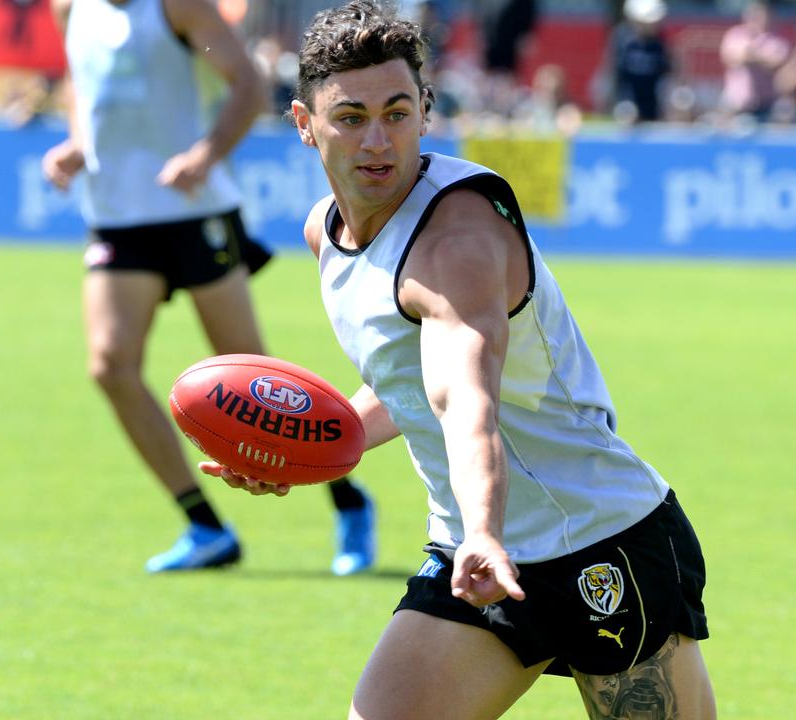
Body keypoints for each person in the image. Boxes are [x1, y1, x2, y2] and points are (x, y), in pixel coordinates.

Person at [204, 2, 715, 717]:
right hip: (472, 553)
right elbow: (410, 383)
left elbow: (465, 399)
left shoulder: (458, 242)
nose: (378, 139)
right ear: (303, 124)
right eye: (350, 117)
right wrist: (296, 448)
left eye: (398, 112)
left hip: (598, 536)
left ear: (426, 111)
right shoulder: (326, 234)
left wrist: (482, 529)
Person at [40, 0, 376, 575]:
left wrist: (204, 155)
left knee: (255, 378)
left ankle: (348, 501)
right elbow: (81, 81)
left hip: (194, 212)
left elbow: (246, 86)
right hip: (116, 214)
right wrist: (77, 141)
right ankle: (204, 525)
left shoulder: (179, 6)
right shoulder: (71, 9)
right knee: (109, 366)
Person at [718, 0, 790, 120]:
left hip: (766, 105)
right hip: (735, 104)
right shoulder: (735, 35)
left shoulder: (777, 40)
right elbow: (730, 58)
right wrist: (759, 57)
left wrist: (751, 56)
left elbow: (776, 64)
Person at [605, 0, 672, 123]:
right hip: (626, 103)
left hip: (653, 104)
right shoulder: (622, 39)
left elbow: (670, 72)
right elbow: (613, 74)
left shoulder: (660, 42)